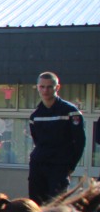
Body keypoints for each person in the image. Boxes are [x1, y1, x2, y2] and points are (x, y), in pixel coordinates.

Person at [27, 71, 85, 204]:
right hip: (38, 165)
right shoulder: (35, 115)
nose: (45, 90)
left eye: (49, 87)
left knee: (56, 206)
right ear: (37, 87)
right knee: (35, 206)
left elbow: (79, 141)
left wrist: (70, 166)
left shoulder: (71, 112)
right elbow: (37, 141)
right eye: (42, 87)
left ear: (57, 87)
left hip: (59, 166)